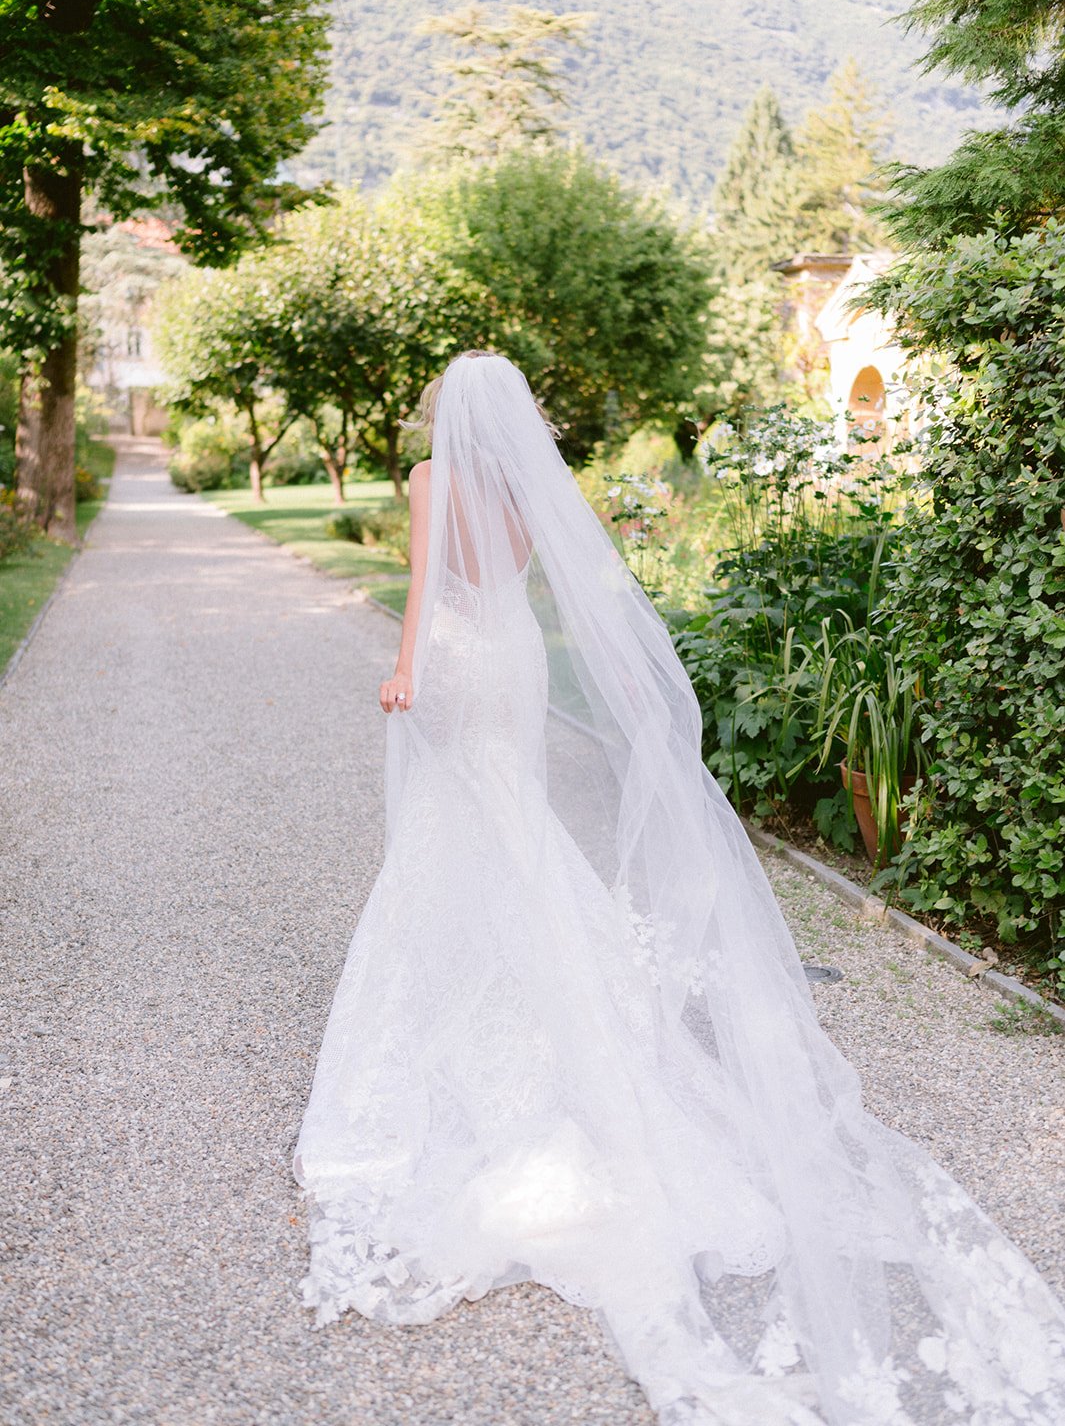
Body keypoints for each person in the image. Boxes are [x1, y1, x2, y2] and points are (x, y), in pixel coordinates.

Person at [293, 350, 1065, 1426]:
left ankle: (467, 990)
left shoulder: (430, 482)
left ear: (443, 414)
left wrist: (407, 671)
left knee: (446, 828)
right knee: (511, 818)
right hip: (510, 660)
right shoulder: (521, 489)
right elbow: (528, 584)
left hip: (462, 658)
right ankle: (548, 969)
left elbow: (425, 591)